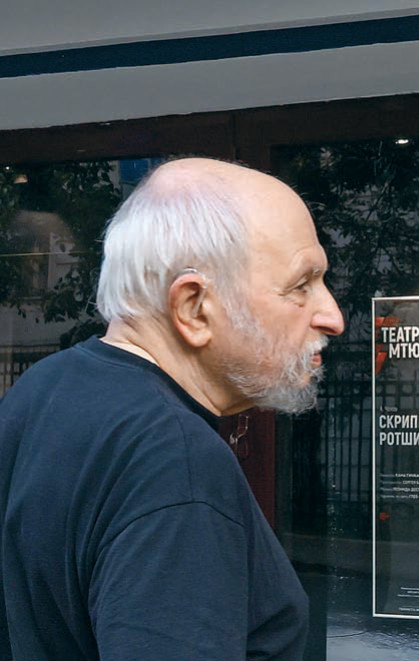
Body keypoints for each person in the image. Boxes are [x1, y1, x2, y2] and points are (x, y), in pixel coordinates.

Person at [0, 158, 345, 658]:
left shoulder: (40, 390)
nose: (332, 316)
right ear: (193, 307)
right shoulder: (176, 461)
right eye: (301, 286)